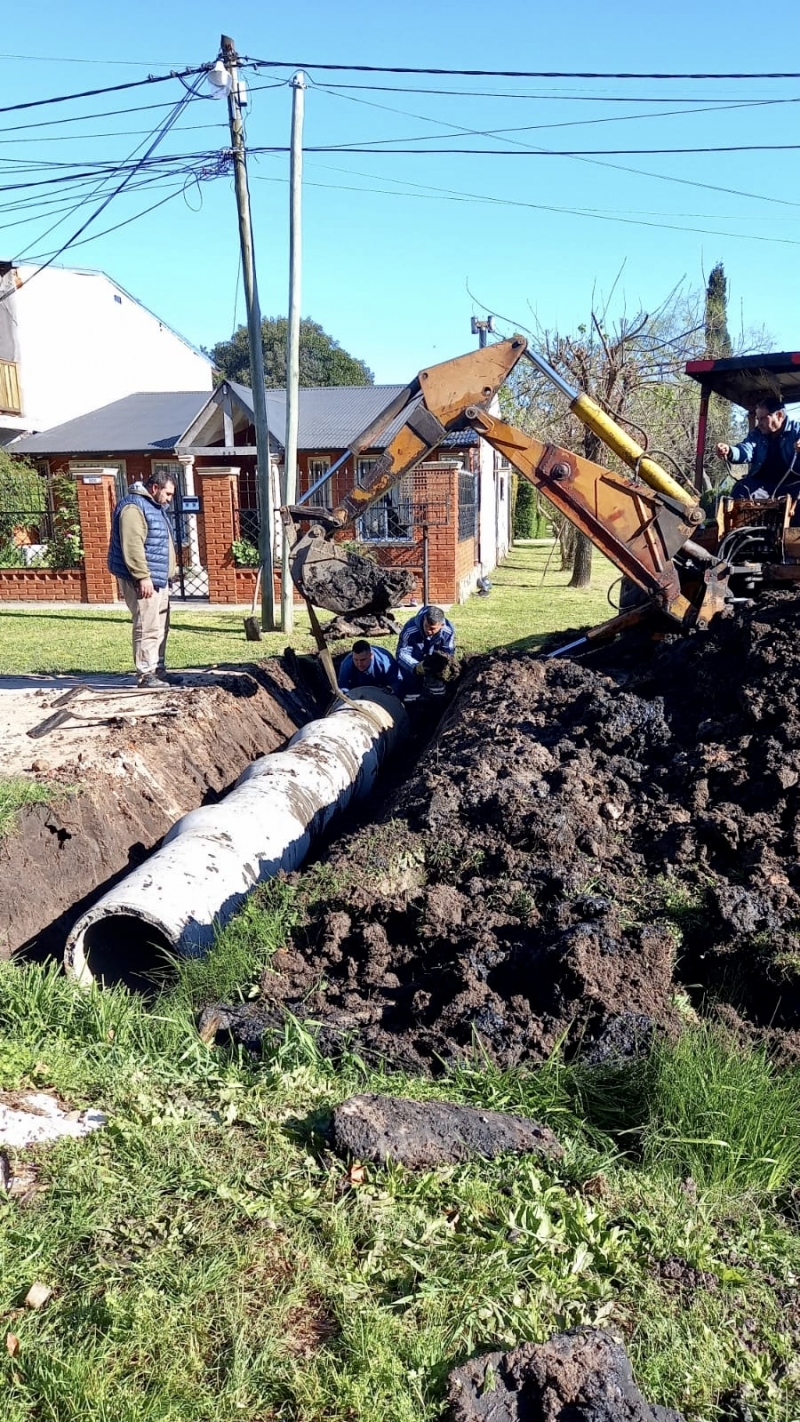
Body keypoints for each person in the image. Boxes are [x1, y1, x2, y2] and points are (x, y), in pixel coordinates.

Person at [108, 469, 178, 688]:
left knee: (160, 625)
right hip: (143, 580)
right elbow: (133, 545)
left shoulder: (154, 507)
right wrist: (142, 577)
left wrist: (169, 573)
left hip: (157, 579)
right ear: (154, 488)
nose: (169, 499)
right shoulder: (133, 508)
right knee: (146, 624)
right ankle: (146, 673)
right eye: (167, 494)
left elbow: (158, 544)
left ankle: (158, 668)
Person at [716, 396, 800, 500]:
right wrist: (730, 451)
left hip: (793, 487)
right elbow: (745, 449)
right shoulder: (756, 435)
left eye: (763, 418)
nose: (759, 423)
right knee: (742, 488)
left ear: (779, 415)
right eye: (758, 419)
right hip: (763, 488)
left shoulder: (797, 430)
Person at [396, 604, 457, 689]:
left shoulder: (448, 632)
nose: (428, 630)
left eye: (432, 629)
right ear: (424, 618)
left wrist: (440, 668)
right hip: (413, 664)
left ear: (441, 625)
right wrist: (415, 666)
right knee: (408, 689)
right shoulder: (409, 630)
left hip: (434, 668)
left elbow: (448, 654)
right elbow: (401, 653)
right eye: (426, 626)